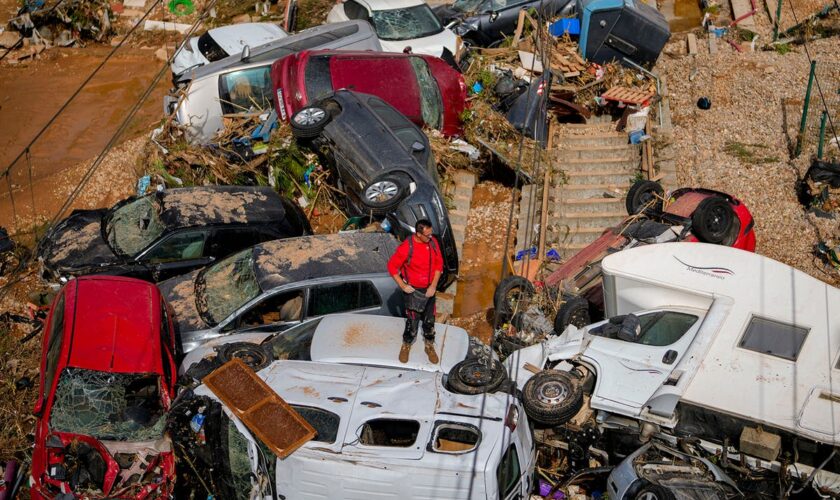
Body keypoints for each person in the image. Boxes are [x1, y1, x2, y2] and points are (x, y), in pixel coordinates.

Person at [387, 219, 444, 364]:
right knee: (412, 322)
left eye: (431, 234)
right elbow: (392, 267)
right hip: (414, 291)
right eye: (427, 235)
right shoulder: (407, 247)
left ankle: (429, 345)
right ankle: (406, 344)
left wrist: (433, 286)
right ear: (418, 234)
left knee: (429, 321)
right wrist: (403, 285)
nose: (430, 237)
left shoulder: (432, 243)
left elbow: (439, 265)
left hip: (429, 289)